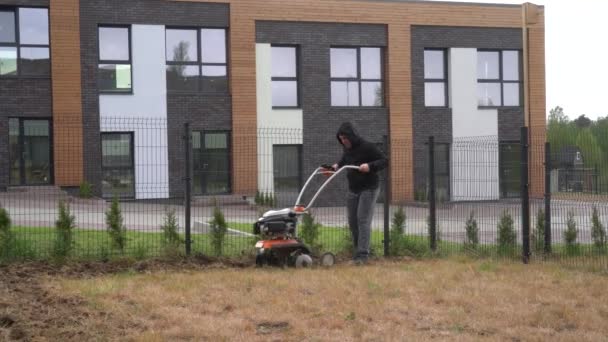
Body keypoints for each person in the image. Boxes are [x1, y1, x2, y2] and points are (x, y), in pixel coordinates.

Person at [329, 122, 388, 265]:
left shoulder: (367, 147)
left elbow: (384, 161)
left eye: (345, 138)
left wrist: (369, 166)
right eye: (341, 139)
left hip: (369, 188)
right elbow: (345, 160)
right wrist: (336, 166)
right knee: (353, 222)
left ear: (352, 136)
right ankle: (358, 252)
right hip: (353, 189)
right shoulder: (347, 149)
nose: (343, 141)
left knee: (362, 220)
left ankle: (362, 256)